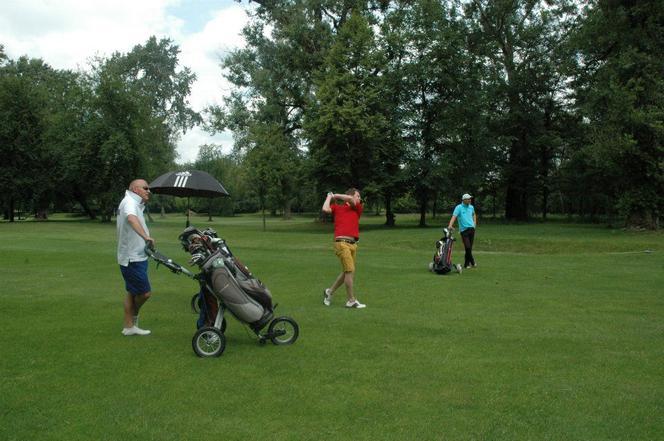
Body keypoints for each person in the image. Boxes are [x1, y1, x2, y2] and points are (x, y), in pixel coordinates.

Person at [117, 179, 155, 336]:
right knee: (145, 293)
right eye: (145, 188)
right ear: (134, 189)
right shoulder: (129, 203)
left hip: (138, 256)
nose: (148, 191)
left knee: (132, 292)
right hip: (131, 258)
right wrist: (147, 237)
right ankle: (133, 318)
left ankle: (128, 327)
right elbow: (132, 219)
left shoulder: (134, 203)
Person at [321, 188, 366, 308]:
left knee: (347, 272)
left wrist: (335, 194)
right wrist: (329, 197)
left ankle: (329, 292)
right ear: (351, 195)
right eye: (358, 196)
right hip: (341, 243)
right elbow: (325, 209)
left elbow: (351, 199)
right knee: (349, 271)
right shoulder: (337, 207)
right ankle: (351, 300)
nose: (359, 198)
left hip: (353, 245)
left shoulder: (357, 207)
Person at [448, 193, 477, 269]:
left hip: (471, 229)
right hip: (464, 230)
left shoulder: (471, 207)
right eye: (468, 199)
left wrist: (474, 224)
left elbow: (474, 214)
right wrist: (450, 225)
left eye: (470, 199)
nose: (470, 200)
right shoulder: (459, 207)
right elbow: (454, 216)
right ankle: (472, 261)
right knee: (467, 247)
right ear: (463, 200)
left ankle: (466, 264)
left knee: (469, 248)